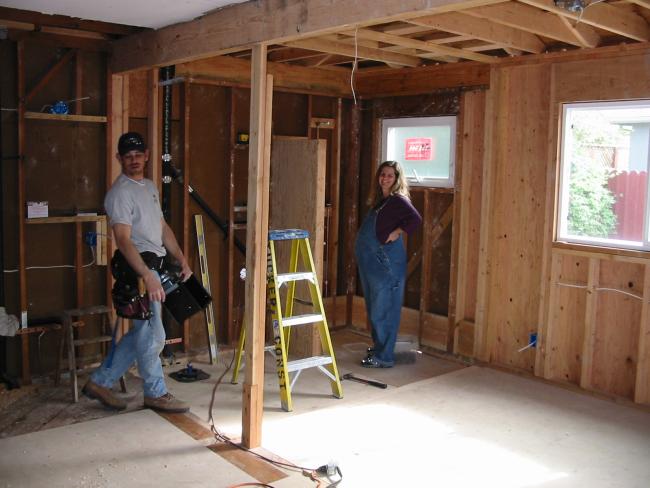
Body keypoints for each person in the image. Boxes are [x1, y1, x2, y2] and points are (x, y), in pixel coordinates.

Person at [83, 132, 192, 413]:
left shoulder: (148, 186)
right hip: (138, 270)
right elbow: (122, 239)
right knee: (154, 334)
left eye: (138, 155)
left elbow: (162, 227)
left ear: (146, 155)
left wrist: (181, 258)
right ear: (119, 159)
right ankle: (155, 392)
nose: (133, 160)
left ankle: (100, 381)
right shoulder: (120, 194)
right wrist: (146, 274)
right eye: (127, 156)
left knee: (144, 333)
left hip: (154, 265)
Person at [355, 161, 422, 368]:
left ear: (397, 179)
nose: (385, 178)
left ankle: (384, 357)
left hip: (386, 265)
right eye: (382, 174)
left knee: (384, 310)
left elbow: (415, 219)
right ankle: (380, 348)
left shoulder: (398, 200)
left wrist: (397, 232)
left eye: (390, 175)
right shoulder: (381, 201)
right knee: (375, 308)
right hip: (373, 265)